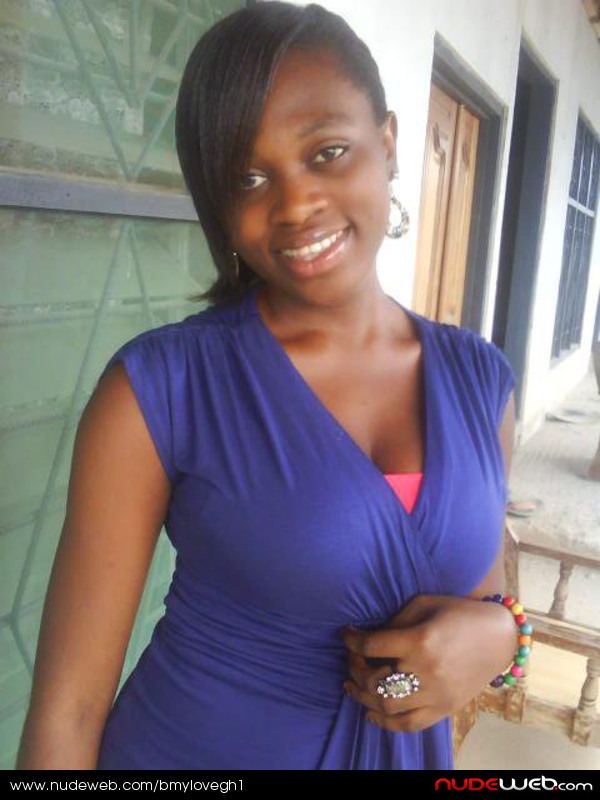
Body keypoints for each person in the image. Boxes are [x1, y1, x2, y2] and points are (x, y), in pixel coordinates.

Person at [17, 2, 520, 770]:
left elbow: (483, 603)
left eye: (327, 152)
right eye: (248, 177)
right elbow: (68, 713)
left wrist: (505, 638)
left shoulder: (481, 382)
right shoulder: (160, 390)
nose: (295, 204)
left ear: (387, 144)